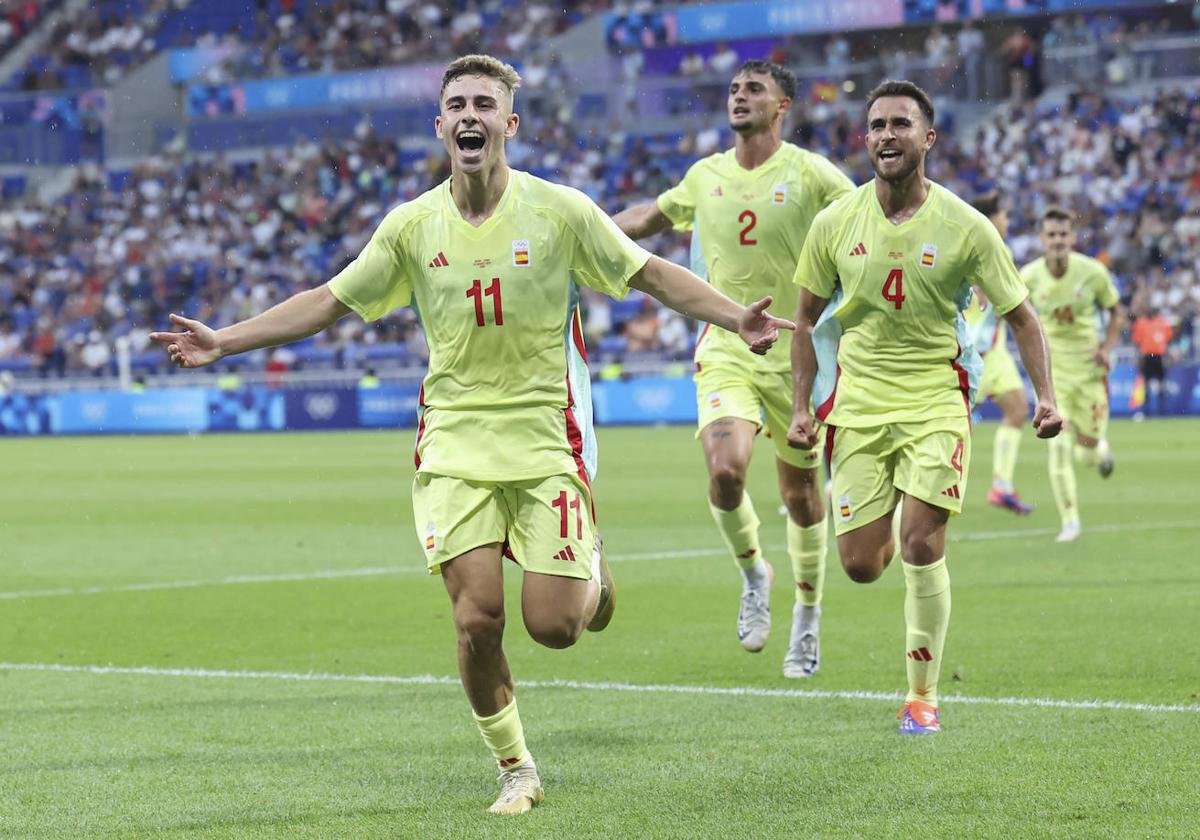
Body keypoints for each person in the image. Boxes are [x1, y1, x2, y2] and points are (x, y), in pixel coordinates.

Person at [149, 55, 792, 815]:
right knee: (476, 617)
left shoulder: (560, 212)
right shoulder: (413, 226)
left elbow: (650, 272)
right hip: (454, 443)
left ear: (509, 124)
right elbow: (328, 301)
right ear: (441, 126)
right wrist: (225, 341)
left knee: (553, 628)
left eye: (485, 103)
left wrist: (732, 314)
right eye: (456, 103)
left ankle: (591, 571)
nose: (470, 115)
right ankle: (516, 767)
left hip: (544, 440)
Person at [787, 80, 1062, 736]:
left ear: (927, 139)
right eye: (877, 124)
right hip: (857, 408)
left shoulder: (966, 227)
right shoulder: (835, 223)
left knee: (920, 542)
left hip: (937, 402)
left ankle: (921, 695)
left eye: (901, 124)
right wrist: (801, 405)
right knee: (859, 564)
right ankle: (890, 528)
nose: (887, 134)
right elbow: (803, 316)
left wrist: (1046, 396)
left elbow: (1021, 316)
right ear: (866, 138)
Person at [612, 60, 854, 677]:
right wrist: (583, 237)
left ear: (784, 106)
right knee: (725, 472)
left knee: (802, 498)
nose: (739, 97)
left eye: (754, 90)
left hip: (799, 353)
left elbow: (866, 226)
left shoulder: (811, 174)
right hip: (726, 347)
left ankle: (807, 612)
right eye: (733, 89)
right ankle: (754, 574)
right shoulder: (705, 175)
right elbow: (648, 219)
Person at [1021, 207, 1125, 542]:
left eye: (1063, 234)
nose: (1057, 241)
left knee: (1088, 447)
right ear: (1042, 239)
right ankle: (1070, 521)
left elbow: (1116, 313)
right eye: (1051, 235)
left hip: (1089, 373)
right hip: (1054, 376)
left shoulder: (1093, 272)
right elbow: (1017, 318)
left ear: (1072, 238)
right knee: (1058, 447)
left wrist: (1107, 350)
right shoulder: (1029, 276)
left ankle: (1101, 449)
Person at [963, 191, 1034, 514]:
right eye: (1004, 215)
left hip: (994, 350)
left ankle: (1001, 486)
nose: (1007, 221)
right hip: (972, 351)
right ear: (992, 219)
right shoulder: (988, 247)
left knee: (1018, 409)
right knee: (956, 426)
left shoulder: (984, 245)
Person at [1131, 306, 1173, 417]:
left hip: (1158, 356)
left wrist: (1167, 356)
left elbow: (1167, 340)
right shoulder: (1141, 323)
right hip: (1148, 356)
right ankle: (1146, 410)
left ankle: (1162, 411)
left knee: (1161, 384)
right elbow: (1137, 342)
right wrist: (1138, 358)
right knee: (1146, 384)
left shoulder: (1161, 322)